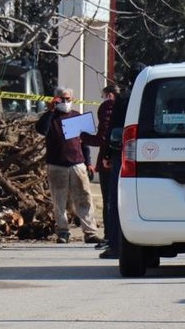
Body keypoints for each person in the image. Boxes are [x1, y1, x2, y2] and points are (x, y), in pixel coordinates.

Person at [35, 86, 102, 244]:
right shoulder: (51, 119)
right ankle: (63, 232)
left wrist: (89, 163)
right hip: (56, 166)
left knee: (84, 198)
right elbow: (41, 130)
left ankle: (90, 232)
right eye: (62, 99)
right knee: (59, 200)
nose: (65, 102)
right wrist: (50, 111)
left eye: (68, 99)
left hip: (77, 164)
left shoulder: (76, 117)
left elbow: (84, 142)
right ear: (56, 99)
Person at [99, 62, 147, 259]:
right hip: (148, 152)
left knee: (115, 199)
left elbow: (113, 128)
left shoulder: (124, 98)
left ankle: (115, 244)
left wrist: (108, 155)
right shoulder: (151, 94)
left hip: (123, 152)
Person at [80, 84, 119, 250]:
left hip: (108, 161)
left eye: (103, 96)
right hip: (126, 158)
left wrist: (83, 136)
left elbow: (103, 137)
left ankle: (110, 236)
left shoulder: (108, 107)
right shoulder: (130, 104)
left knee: (109, 200)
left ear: (109, 95)